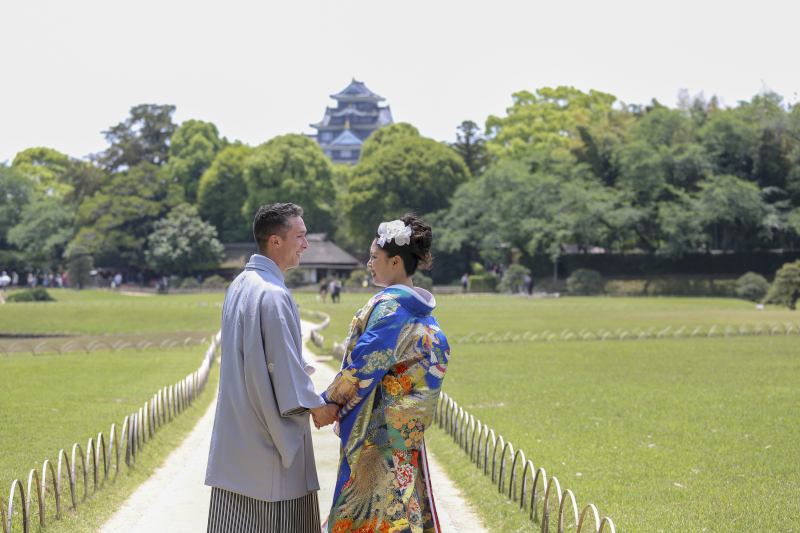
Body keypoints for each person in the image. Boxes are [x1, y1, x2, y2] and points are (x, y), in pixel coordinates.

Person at [205, 203, 339, 533]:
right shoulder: (273, 293)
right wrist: (319, 407)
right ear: (276, 241)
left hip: (236, 437)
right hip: (267, 448)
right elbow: (286, 371)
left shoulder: (239, 284)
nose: (306, 244)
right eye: (300, 236)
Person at [319, 214, 450, 533]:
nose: (368, 263)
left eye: (374, 257)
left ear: (394, 262)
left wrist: (330, 402)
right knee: (401, 508)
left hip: (376, 439)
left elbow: (366, 362)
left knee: (370, 514)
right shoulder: (425, 316)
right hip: (402, 436)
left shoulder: (391, 307)